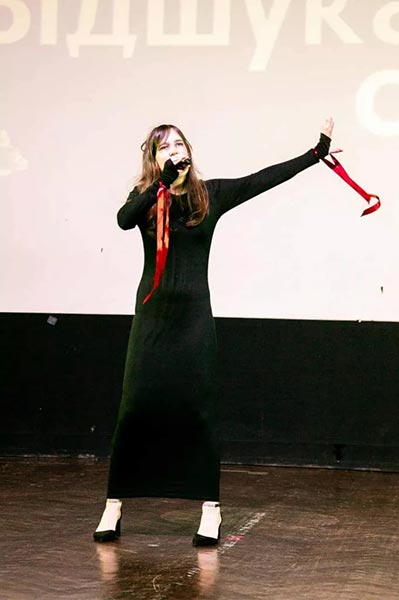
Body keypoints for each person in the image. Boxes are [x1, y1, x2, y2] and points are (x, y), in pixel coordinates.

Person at [93, 118, 334, 546]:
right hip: (152, 319)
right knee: (134, 408)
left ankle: (210, 510)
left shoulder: (209, 195)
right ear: (154, 159)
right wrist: (160, 185)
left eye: (179, 144)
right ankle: (114, 505)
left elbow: (262, 179)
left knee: (198, 409)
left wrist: (315, 154)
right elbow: (123, 221)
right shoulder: (145, 198)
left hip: (193, 321)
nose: (174, 151)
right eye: (164, 147)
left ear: (189, 151)